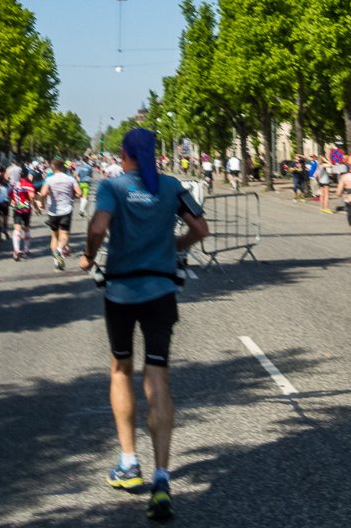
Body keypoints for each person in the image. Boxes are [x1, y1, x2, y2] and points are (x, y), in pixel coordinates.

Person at [79, 127, 209, 522]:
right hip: (161, 289)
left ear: (124, 154)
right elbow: (200, 229)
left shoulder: (112, 187)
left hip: (121, 291)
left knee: (121, 369)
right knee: (158, 377)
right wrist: (173, 248)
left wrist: (88, 256)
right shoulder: (170, 186)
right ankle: (162, 478)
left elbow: (99, 228)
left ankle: (128, 464)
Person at [39, 158, 82, 269]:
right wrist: (73, 196)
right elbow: (79, 193)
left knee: (54, 236)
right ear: (63, 167)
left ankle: (56, 261)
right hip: (66, 210)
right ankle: (59, 251)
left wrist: (42, 204)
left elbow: (43, 193)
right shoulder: (70, 178)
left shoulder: (49, 179)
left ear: (52, 168)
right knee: (64, 235)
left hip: (53, 211)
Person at [10, 168, 36, 260]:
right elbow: (32, 197)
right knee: (26, 228)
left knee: (17, 228)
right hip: (27, 210)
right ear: (27, 175)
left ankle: (16, 249)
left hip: (17, 209)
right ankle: (26, 250)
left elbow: (10, 195)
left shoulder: (15, 185)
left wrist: (13, 201)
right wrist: (33, 204)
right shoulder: (30, 185)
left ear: (20, 175)